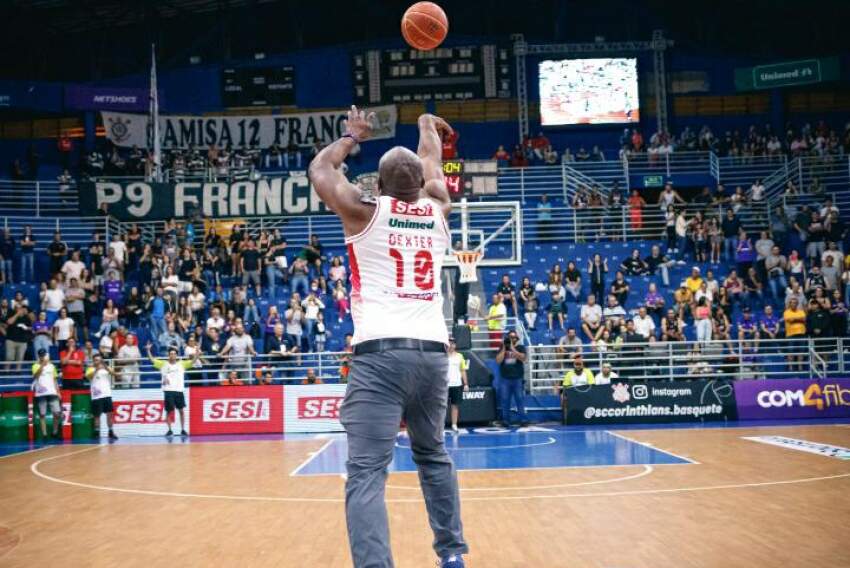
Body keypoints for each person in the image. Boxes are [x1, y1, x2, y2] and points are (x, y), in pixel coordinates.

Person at [308, 106, 467, 567]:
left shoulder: (362, 210)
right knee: (433, 456)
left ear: (376, 184)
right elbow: (432, 164)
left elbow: (320, 169)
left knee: (366, 472)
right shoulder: (438, 210)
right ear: (420, 185)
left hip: (380, 355)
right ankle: (453, 555)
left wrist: (351, 137)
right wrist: (425, 127)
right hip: (433, 355)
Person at [146, 343, 199, 436]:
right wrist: (148, 350)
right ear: (168, 355)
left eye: (174, 353)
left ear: (177, 355)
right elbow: (152, 360)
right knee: (169, 411)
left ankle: (183, 429)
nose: (173, 355)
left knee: (181, 411)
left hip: (179, 391)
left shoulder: (182, 364)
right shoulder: (163, 364)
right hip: (168, 390)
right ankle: (169, 430)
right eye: (171, 353)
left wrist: (197, 353)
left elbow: (193, 362)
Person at [495, 329, 527, 427]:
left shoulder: (521, 347)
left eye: (514, 337)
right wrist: (505, 348)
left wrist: (512, 348)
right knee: (505, 400)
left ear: (517, 338)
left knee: (519, 399)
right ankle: (506, 420)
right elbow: (498, 361)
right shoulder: (502, 348)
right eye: (510, 337)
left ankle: (523, 420)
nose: (512, 339)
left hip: (517, 378)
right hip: (505, 379)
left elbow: (523, 358)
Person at [32, 349, 62, 440]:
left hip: (52, 392)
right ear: (39, 356)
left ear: (46, 355)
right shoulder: (35, 366)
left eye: (43, 355)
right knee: (42, 414)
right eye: (41, 355)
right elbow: (36, 376)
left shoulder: (52, 366)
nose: (42, 357)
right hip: (41, 393)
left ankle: (54, 432)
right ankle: (44, 434)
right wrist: (42, 365)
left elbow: (55, 380)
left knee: (57, 413)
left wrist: (58, 392)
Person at [86, 353, 118, 440]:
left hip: (107, 394)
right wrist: (96, 369)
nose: (98, 362)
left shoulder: (105, 368)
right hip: (97, 396)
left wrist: (105, 366)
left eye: (99, 360)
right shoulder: (90, 368)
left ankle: (111, 432)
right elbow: (89, 377)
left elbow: (114, 374)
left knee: (110, 414)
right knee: (97, 415)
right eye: (96, 360)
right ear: (93, 361)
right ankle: (97, 433)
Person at [446, 339, 469, 433]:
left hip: (457, 384)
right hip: (445, 385)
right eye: (449, 343)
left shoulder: (460, 356)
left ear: (455, 345)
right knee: (442, 406)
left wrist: (466, 384)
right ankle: (439, 425)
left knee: (455, 406)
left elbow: (463, 370)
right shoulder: (442, 356)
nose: (451, 345)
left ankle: (454, 425)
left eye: (453, 343)